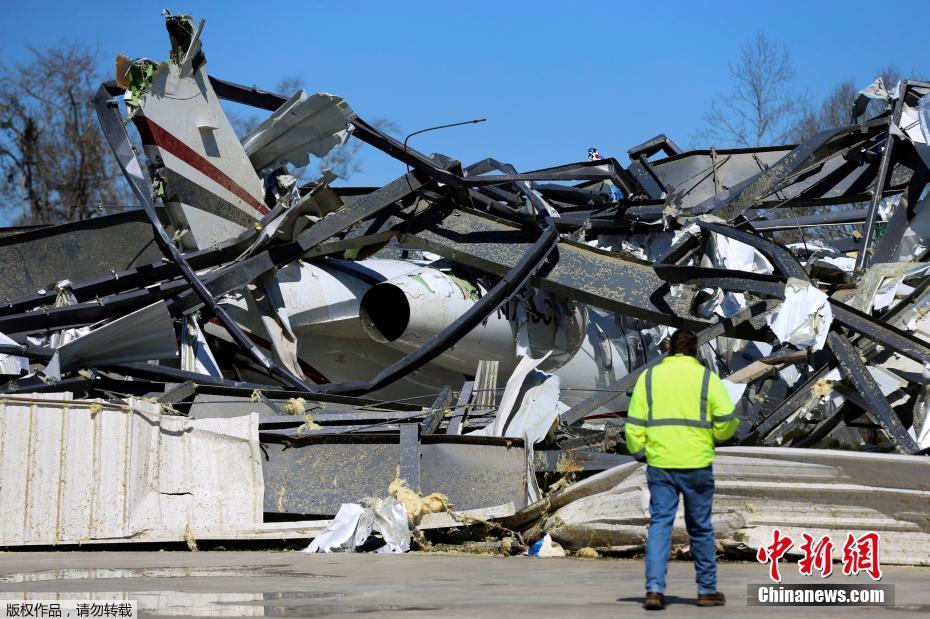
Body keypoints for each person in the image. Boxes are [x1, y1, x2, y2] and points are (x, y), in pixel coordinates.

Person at [624, 329, 739, 610]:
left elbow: (634, 423)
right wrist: (716, 437)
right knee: (700, 528)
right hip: (696, 463)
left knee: (660, 525)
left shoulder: (649, 378)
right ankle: (706, 591)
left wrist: (640, 452)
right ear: (695, 351)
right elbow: (727, 419)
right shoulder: (706, 379)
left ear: (668, 349)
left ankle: (654, 591)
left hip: (660, 463)